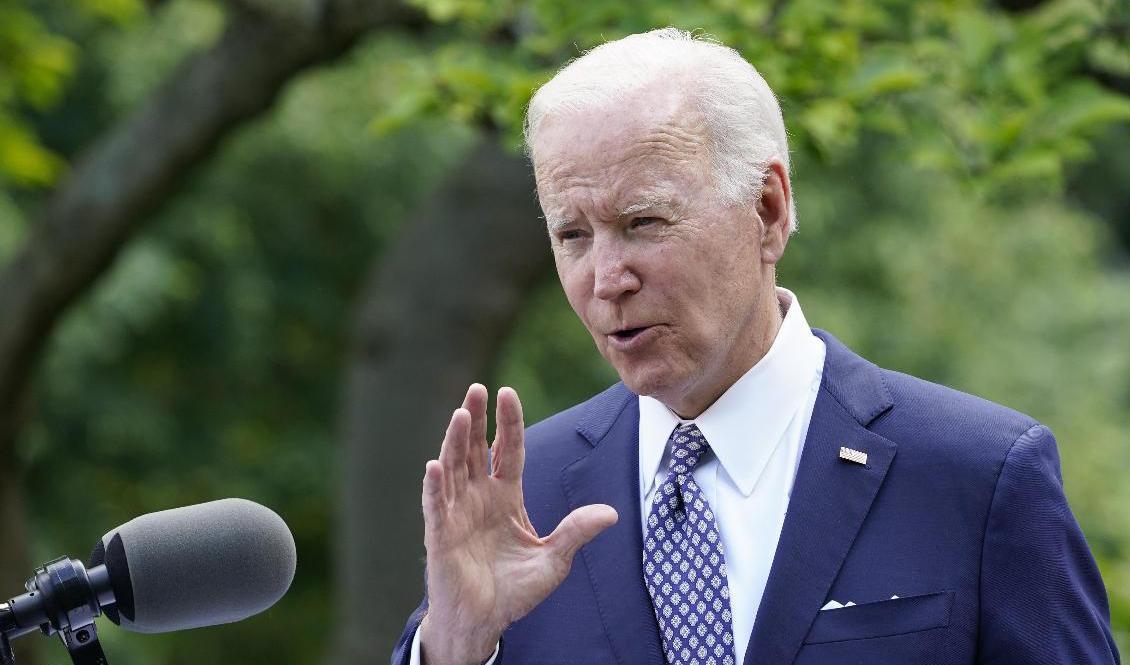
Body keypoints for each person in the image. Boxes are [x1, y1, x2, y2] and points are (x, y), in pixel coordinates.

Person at [391, 28, 1120, 665]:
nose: (607, 278)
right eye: (572, 236)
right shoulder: (524, 496)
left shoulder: (977, 475)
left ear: (767, 211)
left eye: (644, 221)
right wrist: (455, 647)